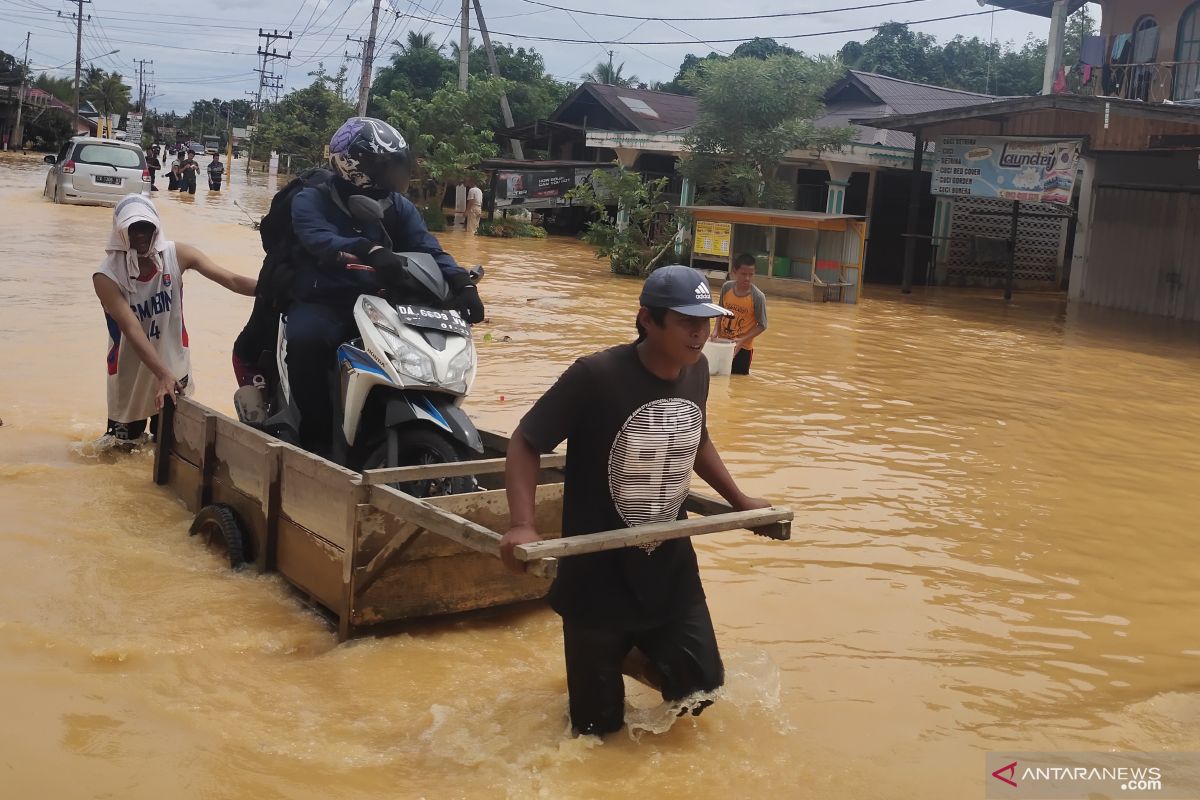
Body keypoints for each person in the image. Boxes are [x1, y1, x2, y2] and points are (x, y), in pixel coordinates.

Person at [499, 264, 770, 737]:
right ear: (647, 319)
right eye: (687, 321)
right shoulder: (595, 375)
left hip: (669, 569)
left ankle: (627, 654)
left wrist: (740, 500)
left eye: (704, 321)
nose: (700, 333)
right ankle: (607, 650)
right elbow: (525, 441)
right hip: (597, 577)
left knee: (701, 690)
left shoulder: (698, 369)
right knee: (597, 732)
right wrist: (523, 523)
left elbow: (696, 438)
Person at [285, 116, 484, 453]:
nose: (394, 174)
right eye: (385, 166)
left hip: (380, 302)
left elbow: (428, 247)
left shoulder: (398, 206)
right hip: (326, 300)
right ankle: (314, 439)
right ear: (355, 165)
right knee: (306, 342)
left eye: (396, 166)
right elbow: (318, 238)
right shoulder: (310, 200)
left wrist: (462, 282)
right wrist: (368, 249)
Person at [92, 194, 256, 442]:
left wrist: (279, 290)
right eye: (132, 229)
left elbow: (231, 281)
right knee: (121, 450)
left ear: (156, 227)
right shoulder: (106, 276)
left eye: (146, 227)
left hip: (174, 368)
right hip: (130, 373)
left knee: (170, 445)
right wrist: (161, 374)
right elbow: (132, 328)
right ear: (121, 231)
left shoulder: (177, 255)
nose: (140, 235)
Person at [711, 253, 768, 375]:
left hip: (743, 349)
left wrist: (742, 340)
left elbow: (762, 325)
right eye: (743, 274)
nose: (747, 278)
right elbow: (721, 309)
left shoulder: (758, 297)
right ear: (734, 272)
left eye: (751, 274)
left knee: (737, 384)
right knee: (716, 376)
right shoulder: (727, 287)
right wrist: (715, 330)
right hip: (722, 343)